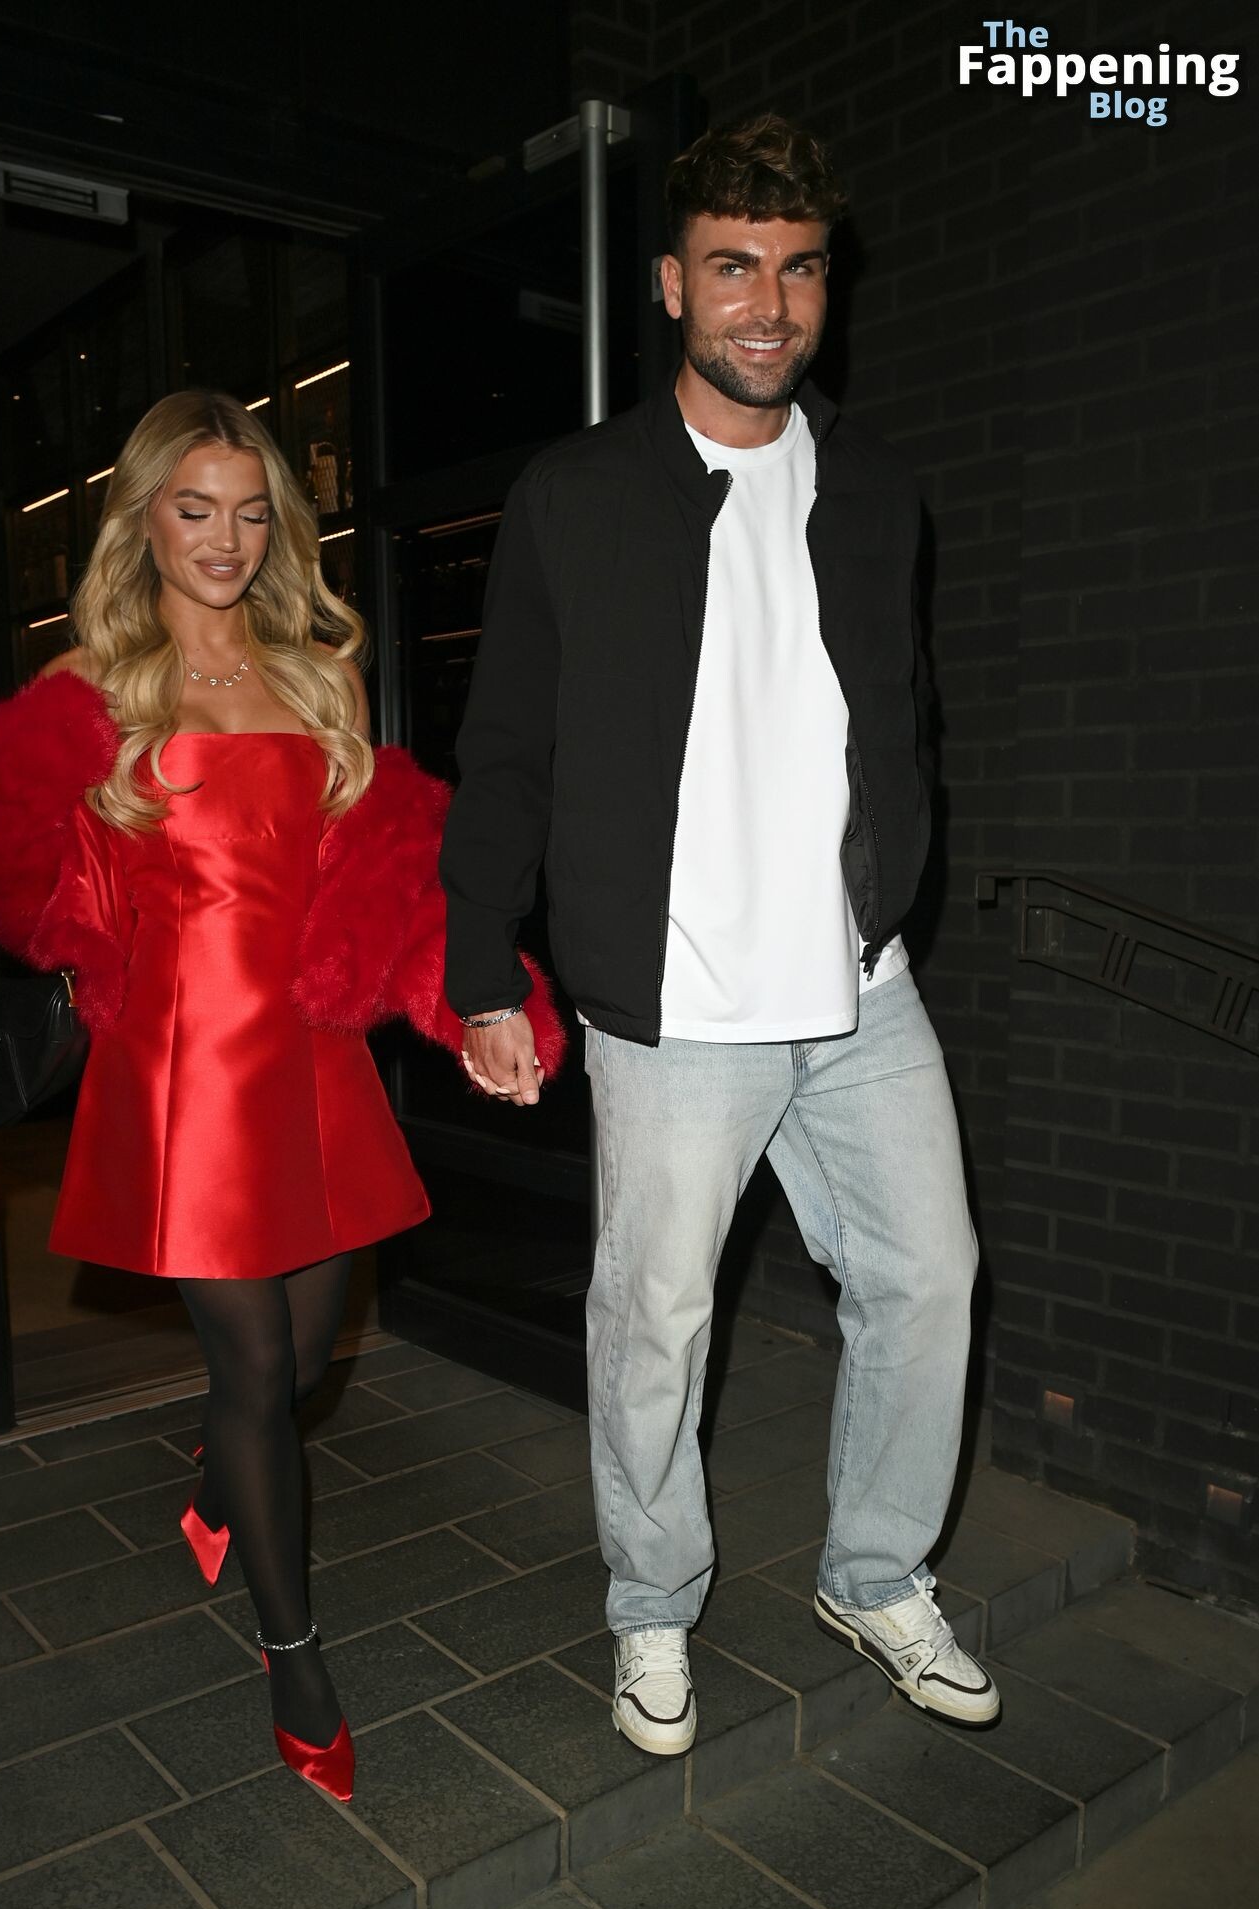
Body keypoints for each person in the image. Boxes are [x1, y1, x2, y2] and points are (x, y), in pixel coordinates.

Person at [442, 115, 998, 1754]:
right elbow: (507, 747)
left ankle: (874, 1572)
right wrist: (483, 965)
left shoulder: (877, 490)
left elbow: (894, 717)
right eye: (734, 267)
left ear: (828, 286)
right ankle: (651, 1603)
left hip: (857, 986)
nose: (769, 303)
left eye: (798, 269)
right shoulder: (577, 494)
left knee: (930, 1278)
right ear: (673, 284)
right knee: (655, 1325)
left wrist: (893, 884)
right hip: (676, 1002)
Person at [0, 390, 564, 1804]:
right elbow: (27, 884)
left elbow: (392, 880)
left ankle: (222, 1481)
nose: (223, 539)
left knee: (301, 1365)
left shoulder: (321, 680)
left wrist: (479, 1005)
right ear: (144, 521)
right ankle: (295, 1657)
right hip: (182, 1079)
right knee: (250, 1370)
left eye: (247, 511)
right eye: (193, 508)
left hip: (311, 1059)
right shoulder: (93, 689)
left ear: (277, 525)